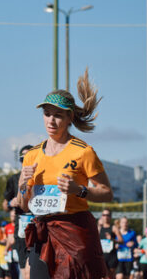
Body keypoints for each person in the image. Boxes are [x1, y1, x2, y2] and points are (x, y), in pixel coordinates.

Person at [17, 70, 113, 278]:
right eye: (47, 114)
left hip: (75, 232)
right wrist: (23, 185)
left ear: (69, 117)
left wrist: (78, 190)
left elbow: (106, 193)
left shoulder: (82, 151)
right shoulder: (32, 155)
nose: (51, 121)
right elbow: (24, 205)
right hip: (43, 232)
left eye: (58, 115)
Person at [2, 145, 33, 279]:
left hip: (38, 228)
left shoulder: (42, 179)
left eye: (29, 158)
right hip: (21, 229)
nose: (25, 161)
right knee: (24, 273)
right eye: (22, 159)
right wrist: (10, 203)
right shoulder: (13, 179)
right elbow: (5, 204)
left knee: (31, 269)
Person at [99, 209, 118, 279]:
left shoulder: (113, 228)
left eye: (107, 215)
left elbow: (121, 241)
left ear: (110, 217)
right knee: (103, 276)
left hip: (112, 256)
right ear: (101, 217)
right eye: (104, 215)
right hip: (102, 256)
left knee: (111, 276)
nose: (105, 217)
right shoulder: (99, 228)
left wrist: (112, 239)